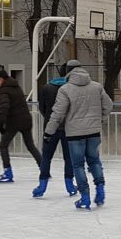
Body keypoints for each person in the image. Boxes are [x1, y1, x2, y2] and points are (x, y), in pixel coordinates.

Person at [44, 64, 113, 209]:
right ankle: (100, 188)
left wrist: (49, 131)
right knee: (94, 161)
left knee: (78, 165)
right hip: (94, 132)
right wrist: (101, 119)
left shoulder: (65, 89)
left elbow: (58, 113)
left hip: (75, 134)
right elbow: (108, 105)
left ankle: (85, 196)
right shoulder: (97, 86)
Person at [33, 60, 78, 198]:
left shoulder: (47, 88)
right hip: (68, 128)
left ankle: (42, 185)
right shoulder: (72, 88)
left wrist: (50, 118)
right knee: (68, 158)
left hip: (50, 127)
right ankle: (69, 184)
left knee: (46, 157)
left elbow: (42, 108)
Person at [0, 69, 42, 183]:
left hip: (14, 121)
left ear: (1, 79)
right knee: (30, 146)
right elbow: (12, 103)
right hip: (26, 119)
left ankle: (7, 172)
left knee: (3, 145)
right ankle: (44, 169)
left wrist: (0, 124)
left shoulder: (3, 89)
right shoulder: (16, 86)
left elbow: (6, 107)